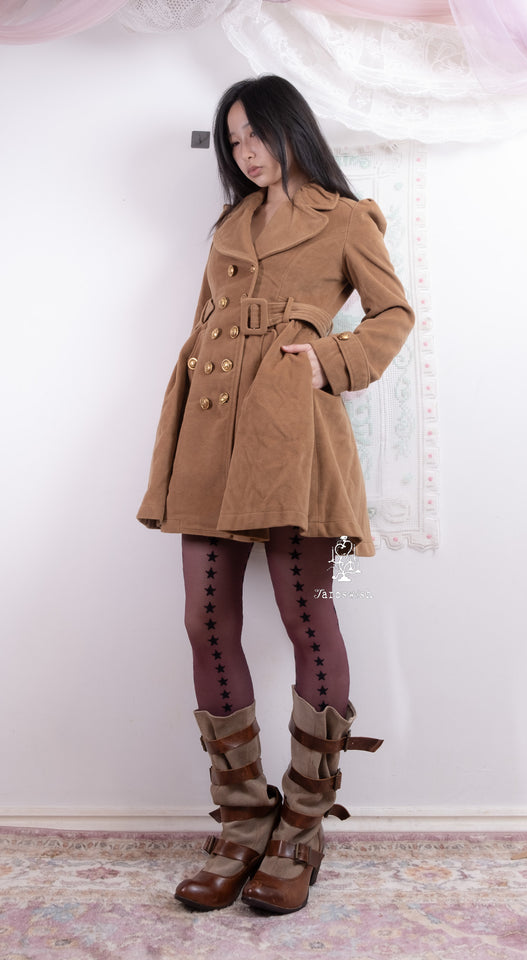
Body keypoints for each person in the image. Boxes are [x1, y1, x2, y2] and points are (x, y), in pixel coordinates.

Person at [137, 75, 414, 914]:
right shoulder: (230, 225)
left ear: (292, 128)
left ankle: (301, 824)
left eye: (256, 133)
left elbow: (394, 315)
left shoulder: (347, 219)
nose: (246, 151)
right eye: (234, 140)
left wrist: (328, 363)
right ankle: (241, 818)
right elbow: (206, 320)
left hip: (293, 434)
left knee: (307, 618)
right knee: (204, 618)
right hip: (210, 433)